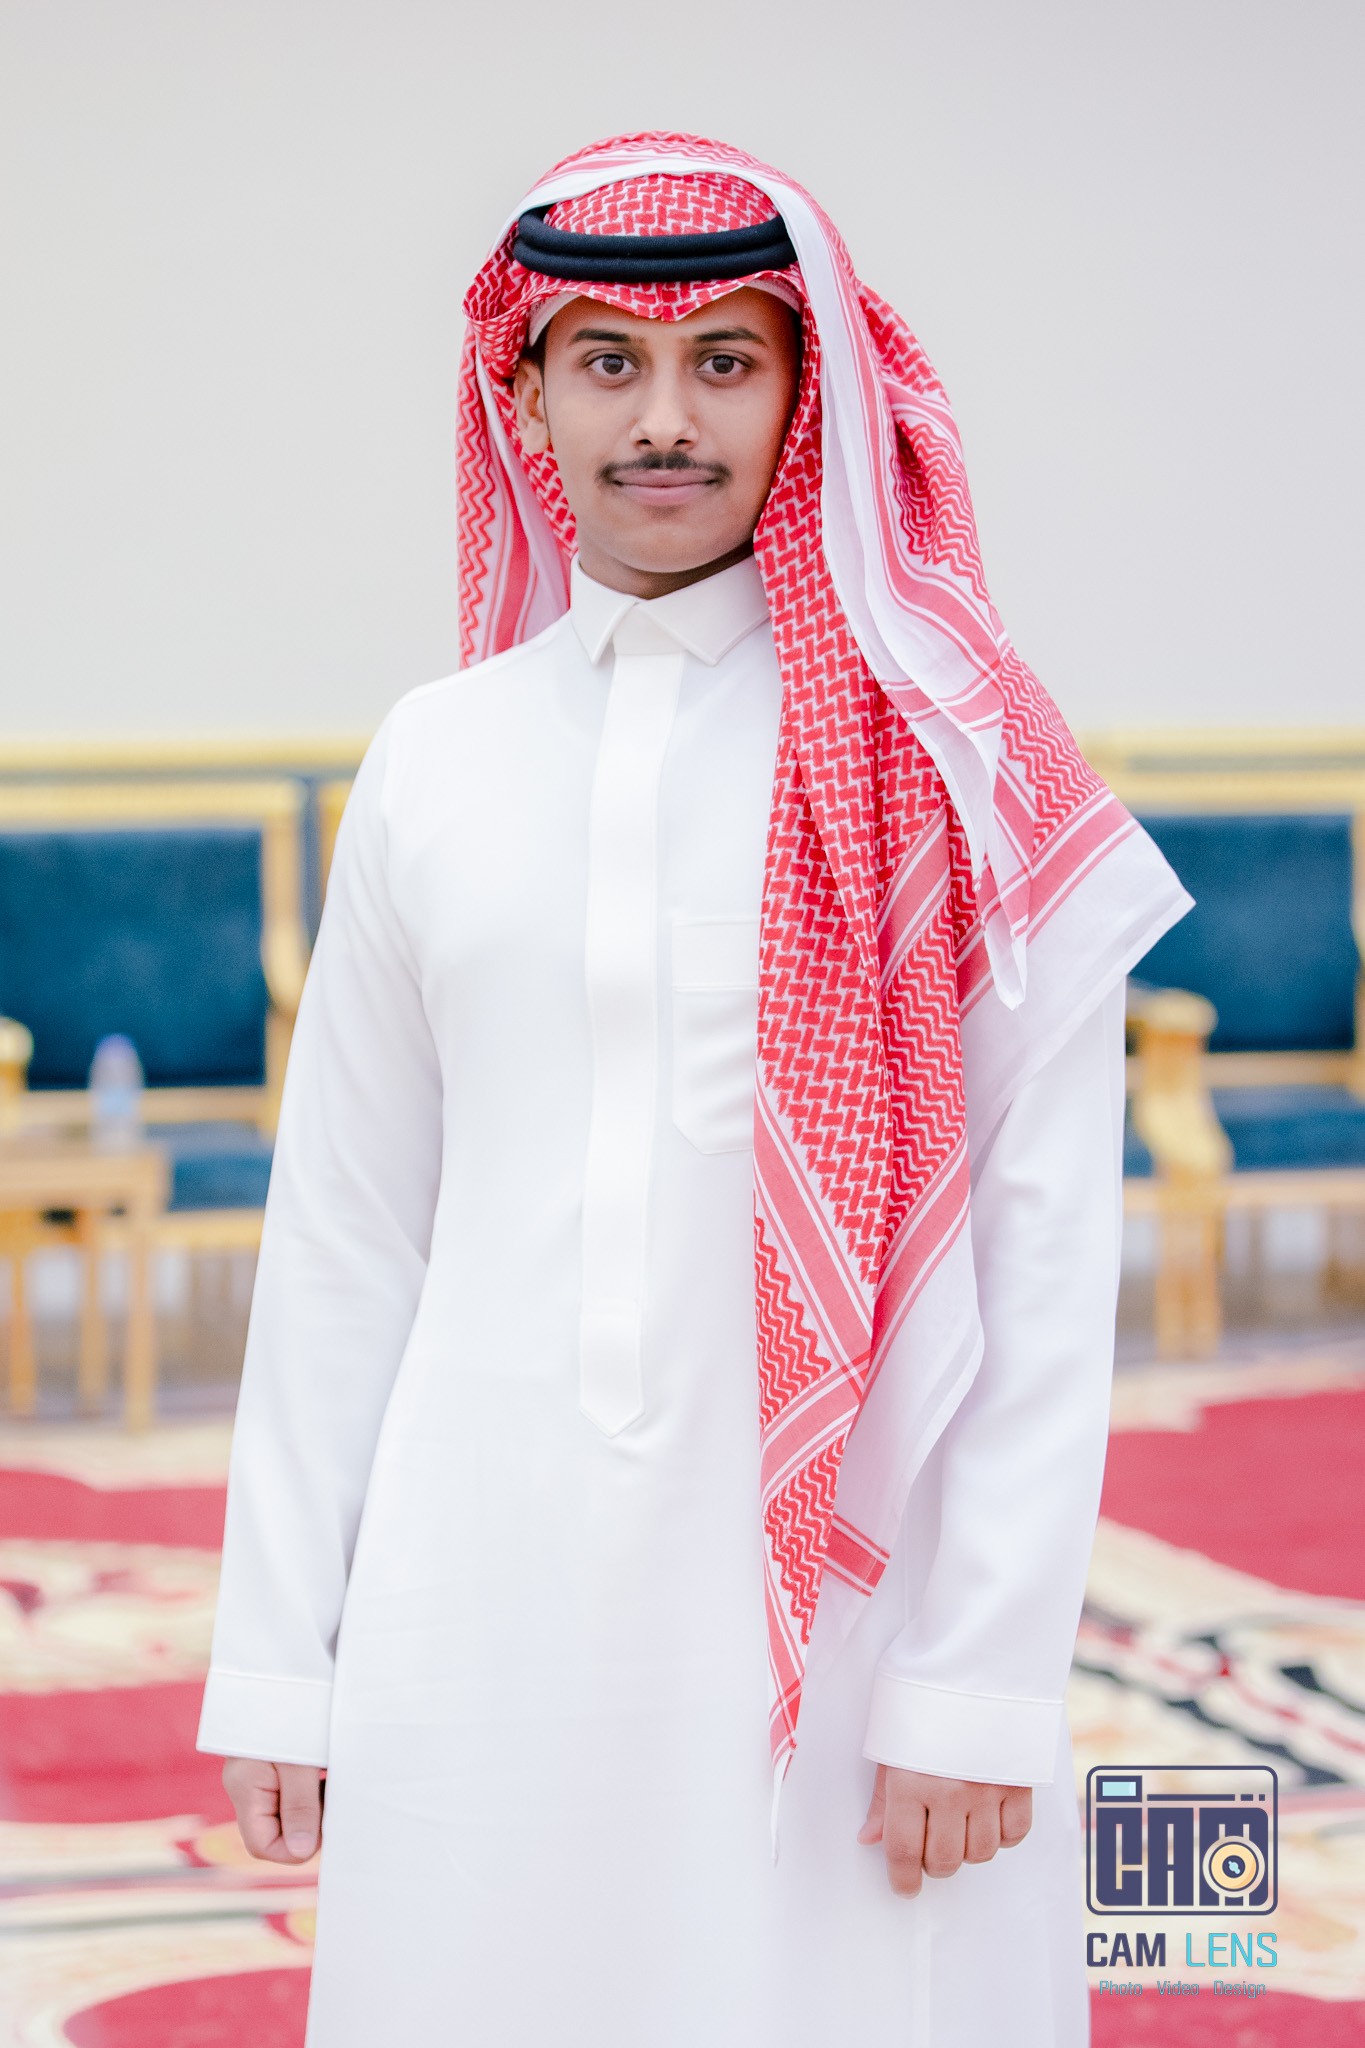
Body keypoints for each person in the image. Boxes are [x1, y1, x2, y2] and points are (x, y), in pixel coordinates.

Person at [199, 134, 1188, 2046]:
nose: (664, 419)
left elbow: (1044, 1246)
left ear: (808, 394)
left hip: (844, 1611)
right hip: (473, 1582)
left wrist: (976, 1682)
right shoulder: (435, 756)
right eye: (609, 364)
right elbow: (342, 1232)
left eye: (724, 362)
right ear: (525, 395)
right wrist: (275, 1654)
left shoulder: (948, 763)